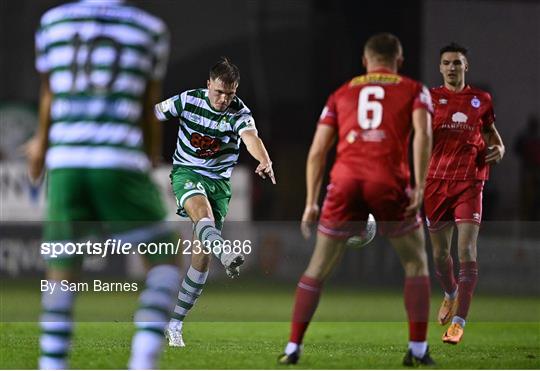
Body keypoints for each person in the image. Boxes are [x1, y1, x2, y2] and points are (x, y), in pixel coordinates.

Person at [27, 0, 180, 369]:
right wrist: (152, 156)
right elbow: (149, 107)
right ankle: (142, 362)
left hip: (66, 163)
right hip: (118, 160)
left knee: (61, 275)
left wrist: (39, 148)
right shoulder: (149, 30)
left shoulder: (52, 23)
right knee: (167, 263)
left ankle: (52, 365)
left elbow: (49, 94)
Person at [278, 33, 434, 366]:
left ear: (365, 61)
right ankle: (418, 350)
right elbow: (423, 133)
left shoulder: (340, 93)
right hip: (387, 179)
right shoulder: (413, 89)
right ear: (399, 61)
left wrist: (311, 201)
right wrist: (419, 186)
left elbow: (318, 151)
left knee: (317, 268)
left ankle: (293, 347)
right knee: (416, 262)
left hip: (344, 181)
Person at [154, 57, 276, 347]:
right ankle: (225, 251)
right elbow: (154, 114)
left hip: (219, 183)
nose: (224, 99)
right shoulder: (188, 100)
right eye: (219, 92)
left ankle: (175, 324)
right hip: (187, 173)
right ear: (208, 84)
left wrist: (265, 159)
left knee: (201, 257)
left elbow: (251, 138)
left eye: (230, 94)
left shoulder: (239, 113)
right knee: (203, 216)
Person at [425, 42, 505, 344]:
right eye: (446, 63)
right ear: (440, 67)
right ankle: (450, 292)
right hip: (435, 182)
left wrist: (499, 150)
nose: (451, 67)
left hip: (470, 183)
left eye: (457, 63)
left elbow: (494, 138)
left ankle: (459, 322)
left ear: (465, 67)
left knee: (467, 251)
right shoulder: (430, 99)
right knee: (439, 255)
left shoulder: (480, 100)